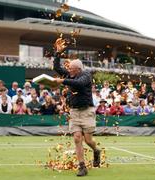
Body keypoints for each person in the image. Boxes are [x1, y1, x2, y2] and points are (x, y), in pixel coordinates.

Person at [53, 38, 101, 176]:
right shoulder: (70, 74)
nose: (69, 71)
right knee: (77, 138)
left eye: (71, 69)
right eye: (69, 69)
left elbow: (78, 84)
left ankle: (96, 150)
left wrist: (62, 80)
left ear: (78, 69)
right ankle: (82, 166)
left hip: (87, 111)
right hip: (74, 111)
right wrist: (57, 53)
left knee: (88, 140)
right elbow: (57, 68)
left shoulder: (86, 75)